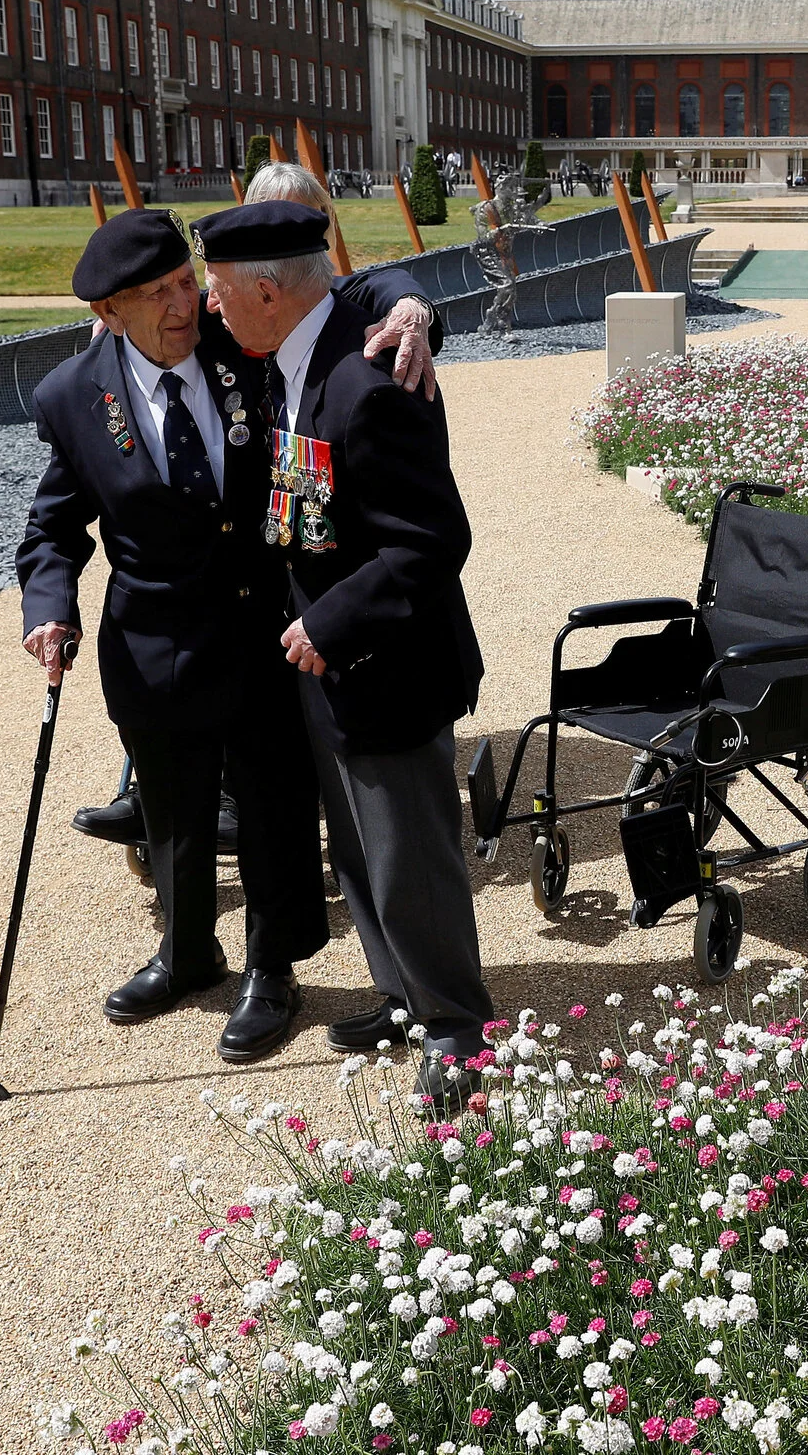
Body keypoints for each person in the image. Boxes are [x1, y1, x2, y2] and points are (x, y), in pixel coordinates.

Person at [193, 200, 495, 1110]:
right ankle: (402, 994)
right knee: (361, 855)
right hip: (329, 666)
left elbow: (433, 541)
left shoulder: (359, 385)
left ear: (266, 291)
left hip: (384, 665)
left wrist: (332, 624)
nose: (210, 306)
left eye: (216, 288)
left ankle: (457, 1029)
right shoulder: (297, 361)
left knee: (411, 858)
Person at [68, 172, 439, 849]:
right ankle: (159, 792)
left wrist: (415, 305)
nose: (279, 238)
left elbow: (381, 288)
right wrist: (124, 327)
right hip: (256, 516)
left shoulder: (331, 305)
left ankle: (248, 802)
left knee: (283, 635)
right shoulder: (227, 303)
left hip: (298, 529)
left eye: (295, 226)